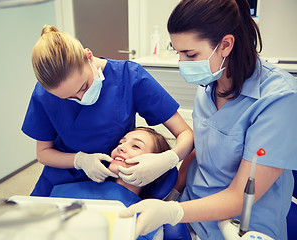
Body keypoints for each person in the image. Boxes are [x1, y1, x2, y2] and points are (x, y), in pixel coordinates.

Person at [119, 0, 297, 239]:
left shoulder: (279, 99)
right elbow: (201, 149)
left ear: (225, 45)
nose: (182, 63)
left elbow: (238, 198)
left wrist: (172, 211)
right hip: (191, 211)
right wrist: (174, 192)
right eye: (178, 51)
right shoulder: (209, 83)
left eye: (190, 54)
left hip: (241, 225)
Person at [22, 25, 194, 197]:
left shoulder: (129, 77)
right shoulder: (44, 94)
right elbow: (43, 153)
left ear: (88, 56)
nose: (81, 99)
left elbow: (185, 133)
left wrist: (167, 160)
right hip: (60, 180)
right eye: (68, 98)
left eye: (83, 87)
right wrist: (80, 160)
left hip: (115, 181)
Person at [50, 127, 191, 240]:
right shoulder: (73, 187)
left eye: (136, 146)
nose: (121, 147)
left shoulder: (148, 219)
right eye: (121, 142)